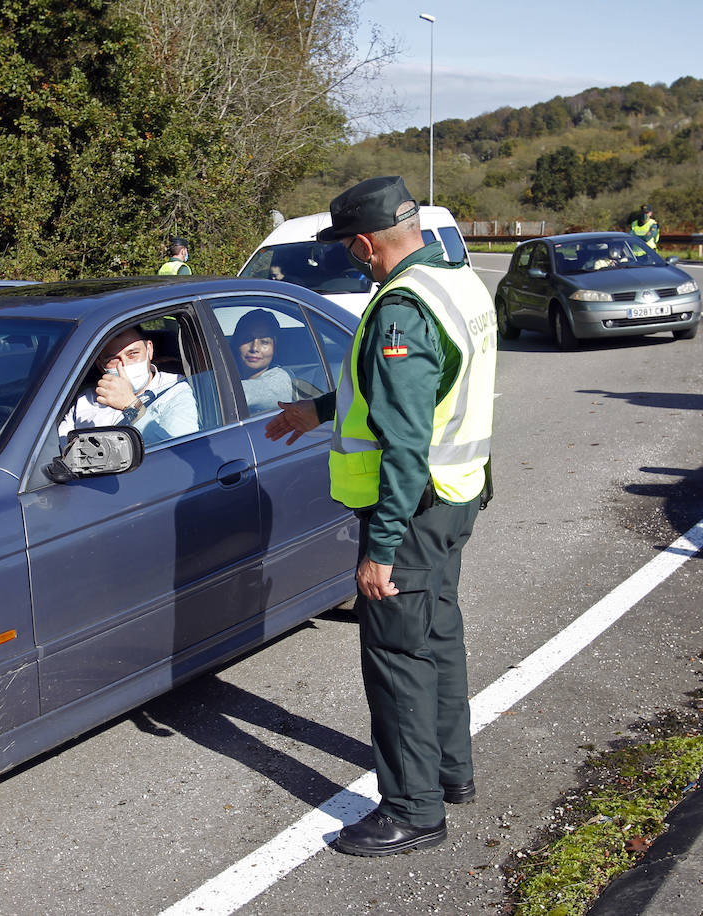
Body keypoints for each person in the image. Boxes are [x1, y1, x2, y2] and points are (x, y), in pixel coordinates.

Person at [264, 176, 497, 856]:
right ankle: (451, 773)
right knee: (438, 635)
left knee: (397, 659)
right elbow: (413, 390)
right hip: (458, 494)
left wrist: (381, 549)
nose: (350, 258)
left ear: (366, 242)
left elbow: (404, 438)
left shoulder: (401, 310)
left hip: (414, 509)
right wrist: (318, 410)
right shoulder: (457, 282)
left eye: (348, 248)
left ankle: (412, 809)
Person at [59, 325, 198, 445]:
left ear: (149, 350)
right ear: (100, 365)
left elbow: (178, 452)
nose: (124, 365)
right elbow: (59, 446)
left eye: (133, 354)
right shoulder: (86, 399)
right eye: (113, 359)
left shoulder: (175, 389)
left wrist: (131, 405)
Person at [231, 309, 295, 412]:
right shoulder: (227, 373)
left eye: (264, 342)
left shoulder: (280, 380)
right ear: (236, 343)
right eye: (247, 339)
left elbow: (234, 395)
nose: (254, 348)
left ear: (275, 348)